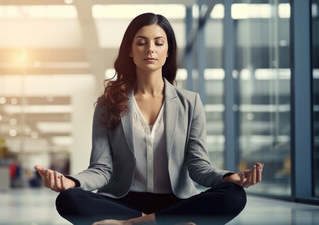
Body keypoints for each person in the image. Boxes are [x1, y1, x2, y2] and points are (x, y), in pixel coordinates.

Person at [35, 13, 263, 225]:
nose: (150, 49)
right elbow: (101, 168)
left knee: (233, 196)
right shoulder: (109, 102)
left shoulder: (190, 102)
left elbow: (198, 166)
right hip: (124, 201)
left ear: (168, 51)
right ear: (130, 51)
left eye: (158, 42)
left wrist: (228, 177)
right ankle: (161, 222)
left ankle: (133, 224)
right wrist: (71, 182)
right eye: (142, 42)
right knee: (69, 200)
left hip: (176, 201)